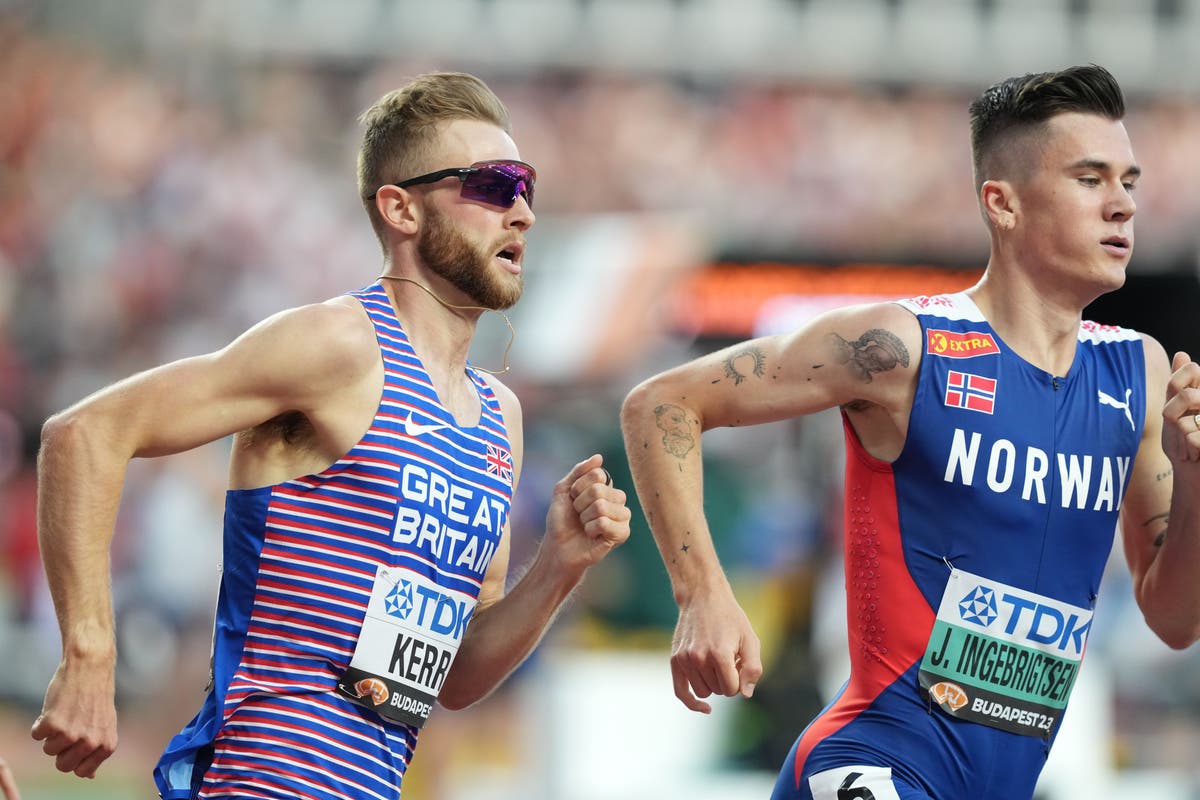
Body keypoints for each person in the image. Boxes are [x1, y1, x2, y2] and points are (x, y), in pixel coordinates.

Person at [31, 71, 631, 799]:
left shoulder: (499, 417)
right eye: (492, 185)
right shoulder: (340, 346)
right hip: (259, 781)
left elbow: (458, 675)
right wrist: (89, 655)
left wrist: (560, 564)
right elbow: (85, 433)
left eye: (526, 186)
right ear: (401, 209)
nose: (523, 212)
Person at [620, 64, 1200, 800]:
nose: (1121, 205)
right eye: (1090, 180)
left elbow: (1177, 619)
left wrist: (1195, 476)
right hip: (875, 766)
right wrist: (701, 594)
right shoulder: (902, 347)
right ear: (1004, 203)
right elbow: (662, 404)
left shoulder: (1137, 372)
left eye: (1130, 182)